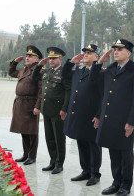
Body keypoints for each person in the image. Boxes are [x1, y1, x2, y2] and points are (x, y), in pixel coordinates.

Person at [90, 39, 134, 196]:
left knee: (125, 153)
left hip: (124, 121)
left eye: (120, 50)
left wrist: (132, 122)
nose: (115, 52)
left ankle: (126, 185)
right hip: (109, 119)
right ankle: (116, 182)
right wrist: (100, 61)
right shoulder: (110, 69)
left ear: (128, 53)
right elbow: (94, 79)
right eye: (115, 49)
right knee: (113, 151)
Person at [61, 44, 103, 186]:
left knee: (93, 146)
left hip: (91, 116)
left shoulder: (99, 73)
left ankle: (95, 174)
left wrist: (98, 115)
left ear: (96, 57)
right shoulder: (79, 71)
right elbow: (65, 77)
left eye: (90, 53)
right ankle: (85, 171)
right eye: (85, 52)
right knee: (81, 143)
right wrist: (70, 63)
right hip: (78, 115)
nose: (85, 54)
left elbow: (103, 96)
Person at [32, 47, 71, 175]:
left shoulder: (64, 73)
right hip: (46, 110)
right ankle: (53, 161)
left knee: (59, 138)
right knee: (49, 138)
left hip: (58, 111)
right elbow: (34, 76)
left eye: (54, 58)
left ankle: (60, 163)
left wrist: (64, 109)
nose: (51, 60)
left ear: (60, 59)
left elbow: (67, 92)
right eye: (50, 58)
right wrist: (39, 65)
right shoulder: (47, 71)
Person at [9, 45, 43, 165]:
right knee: (23, 130)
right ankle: (25, 154)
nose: (27, 58)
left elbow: (41, 90)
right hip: (20, 103)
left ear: (37, 59)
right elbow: (12, 73)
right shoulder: (23, 69)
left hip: (30, 103)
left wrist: (37, 107)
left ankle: (32, 156)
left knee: (32, 132)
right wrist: (14, 62)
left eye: (31, 56)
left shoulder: (38, 70)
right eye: (27, 56)